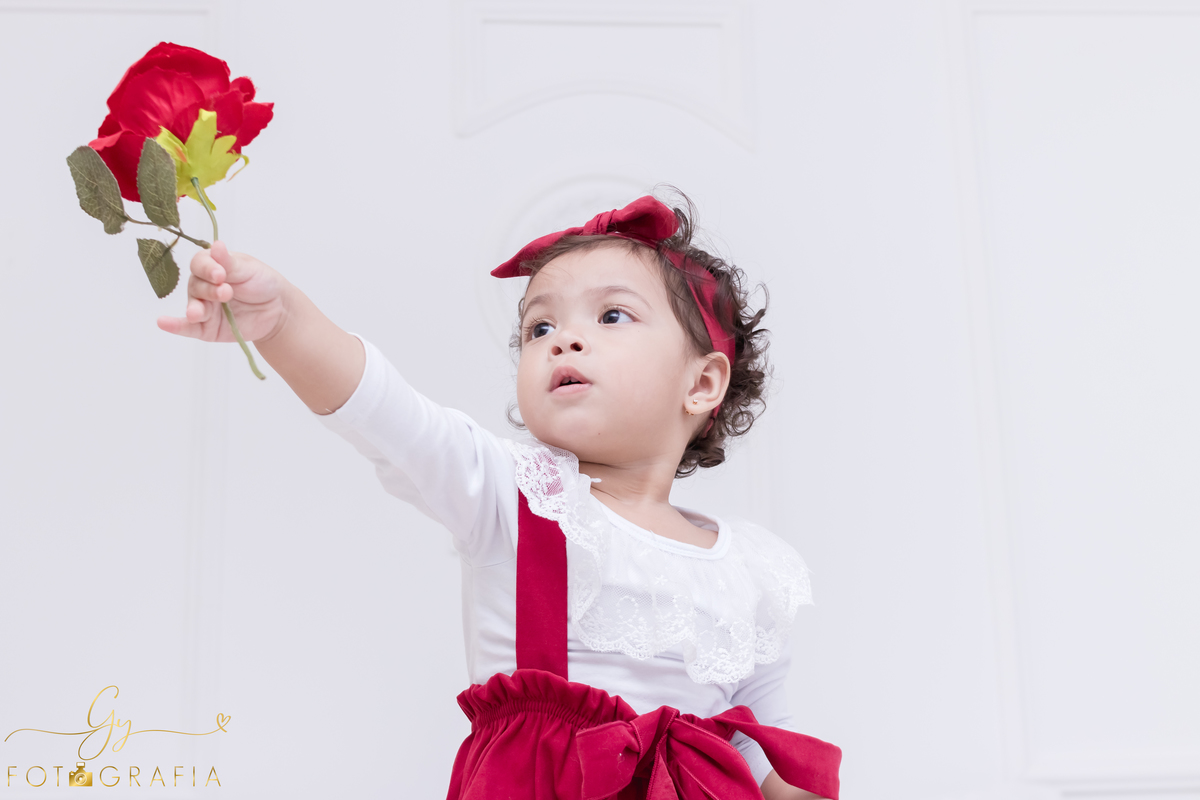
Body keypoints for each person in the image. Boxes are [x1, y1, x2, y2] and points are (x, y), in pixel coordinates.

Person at [158, 191, 842, 800]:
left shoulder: (752, 568)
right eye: (538, 329)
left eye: (612, 315)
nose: (564, 338)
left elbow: (765, 747)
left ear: (702, 384)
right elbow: (389, 415)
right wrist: (283, 323)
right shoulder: (513, 497)